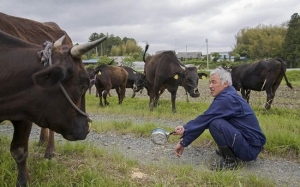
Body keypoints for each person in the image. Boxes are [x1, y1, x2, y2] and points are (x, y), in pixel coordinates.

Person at [173, 66, 266, 170]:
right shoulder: (228, 94)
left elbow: (205, 119)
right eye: (209, 82)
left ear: (225, 83)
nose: (210, 86)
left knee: (215, 124)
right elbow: (205, 119)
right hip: (249, 144)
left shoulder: (227, 98)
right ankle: (230, 151)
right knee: (214, 120)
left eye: (213, 82)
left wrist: (183, 138)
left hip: (249, 149)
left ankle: (230, 161)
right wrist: (185, 130)